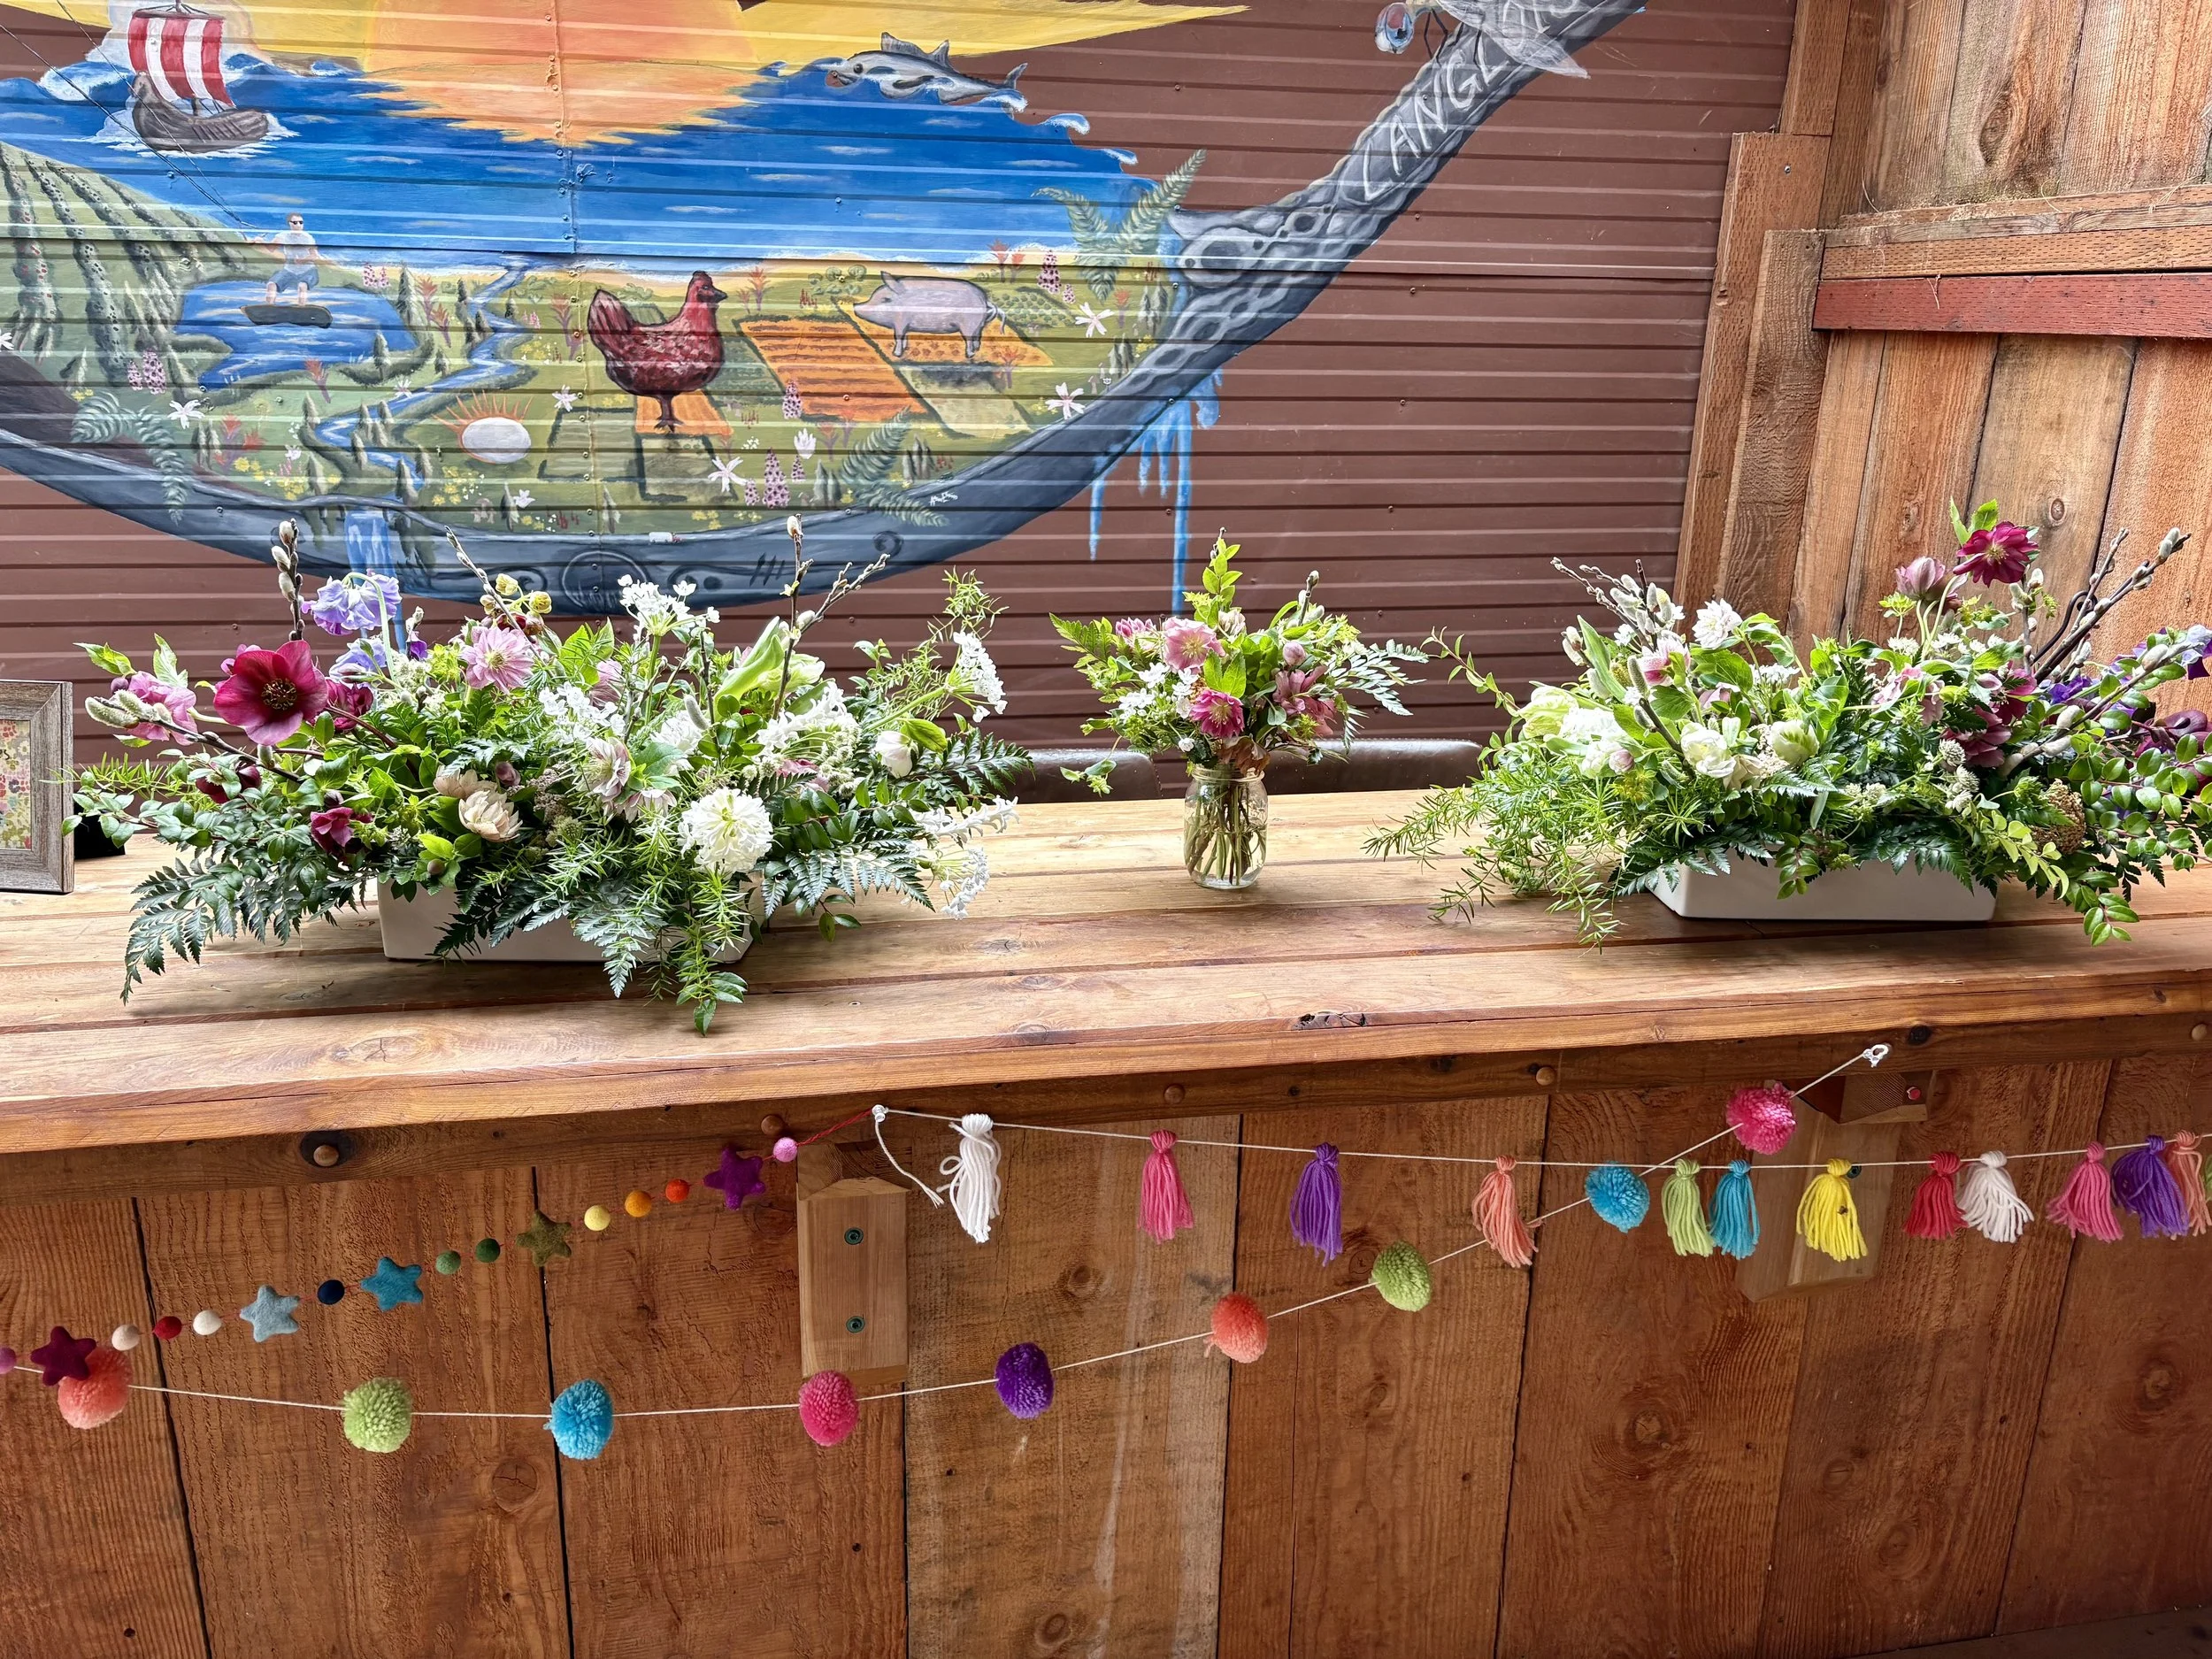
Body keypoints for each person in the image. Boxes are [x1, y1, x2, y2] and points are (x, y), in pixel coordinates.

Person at [264, 213, 319, 304]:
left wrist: (302, 260)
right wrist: (259, 241)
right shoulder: (283, 236)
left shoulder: (308, 238)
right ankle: (269, 307)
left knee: (302, 286)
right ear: (289, 223)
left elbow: (314, 255)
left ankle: (301, 308)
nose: (299, 225)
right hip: (289, 270)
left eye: (301, 222)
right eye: (295, 222)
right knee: (271, 285)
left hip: (307, 271)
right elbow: (271, 248)